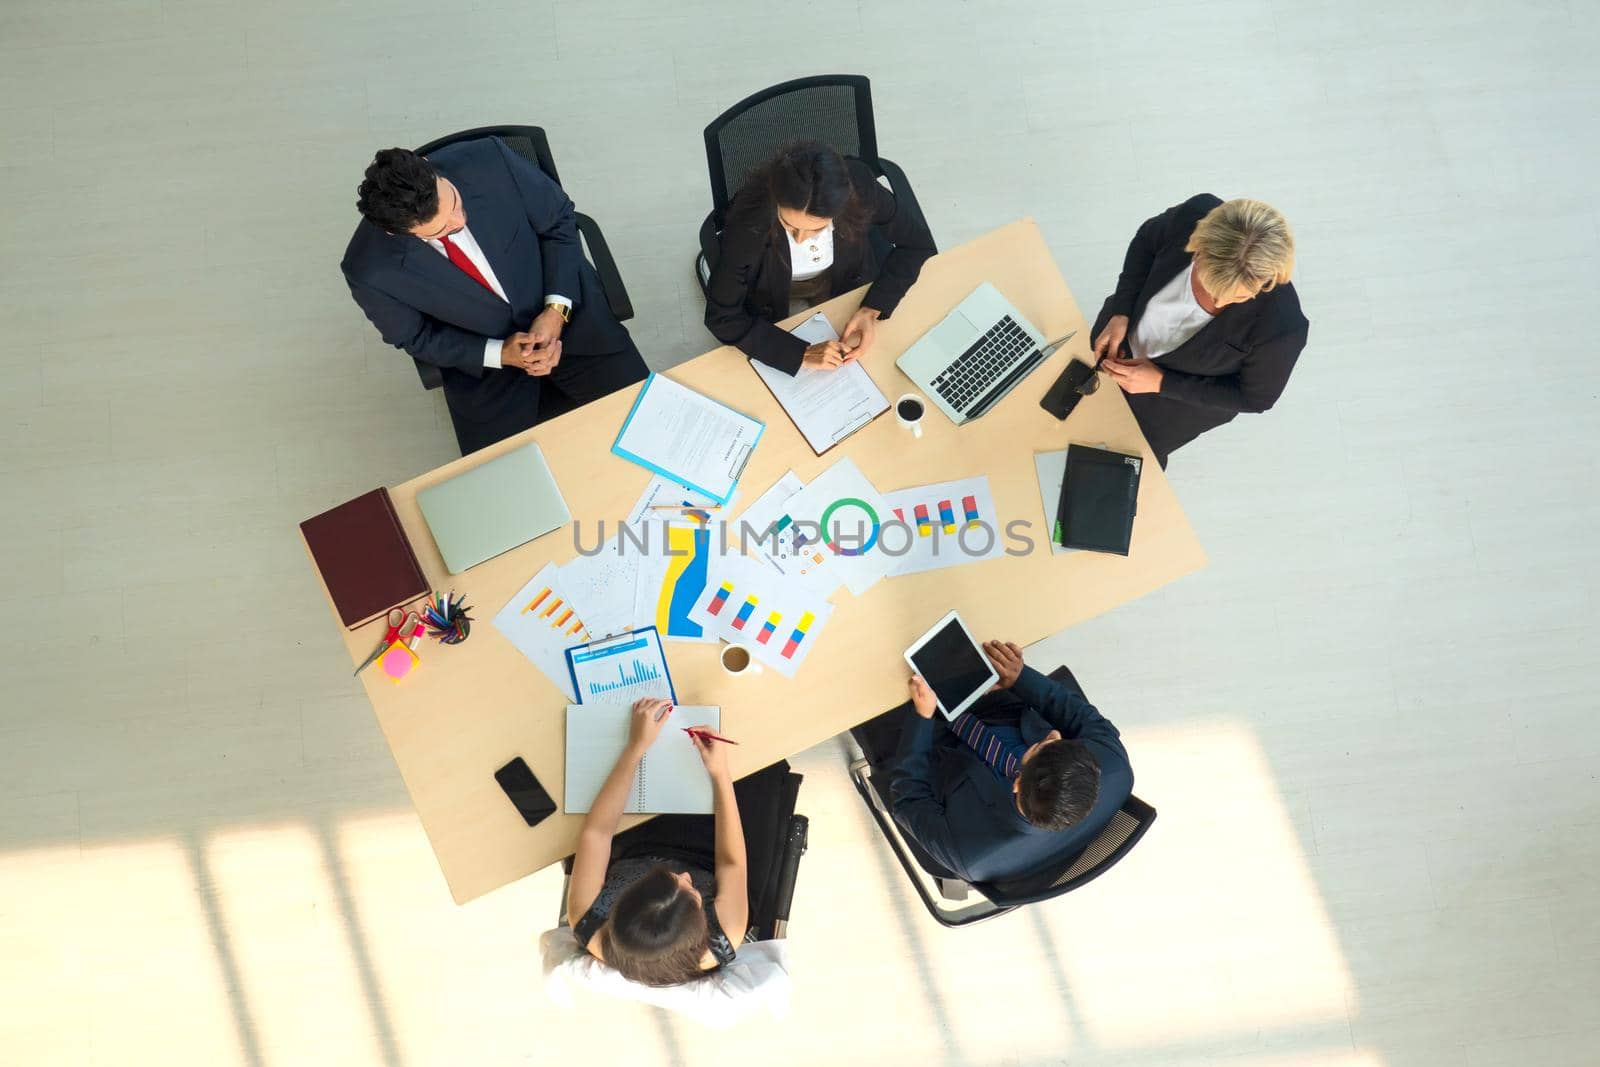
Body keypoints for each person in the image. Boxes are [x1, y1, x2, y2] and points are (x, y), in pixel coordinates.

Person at [341, 138, 648, 455]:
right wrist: (501, 353)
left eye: (455, 203)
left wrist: (556, 311)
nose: (460, 221)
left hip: (573, 321)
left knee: (651, 429)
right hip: (487, 369)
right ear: (398, 232)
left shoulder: (491, 160)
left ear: (432, 171)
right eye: (441, 230)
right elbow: (416, 337)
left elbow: (559, 221)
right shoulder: (368, 270)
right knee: (509, 484)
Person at [853, 640, 1132, 885]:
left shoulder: (972, 853)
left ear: (1018, 783)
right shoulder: (1114, 769)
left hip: (933, 755)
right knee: (950, 641)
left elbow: (908, 799)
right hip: (1002, 710)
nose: (1054, 732)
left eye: (1042, 745)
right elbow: (1082, 718)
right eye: (1058, 741)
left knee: (866, 673)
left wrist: (922, 718)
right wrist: (1020, 679)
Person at [1089, 195, 1309, 467]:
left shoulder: (1283, 328)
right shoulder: (1193, 215)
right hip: (1110, 345)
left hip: (1163, 411)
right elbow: (1146, 241)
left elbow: (1255, 397)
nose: (1219, 303)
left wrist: (1161, 383)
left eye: (1237, 298)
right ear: (1197, 247)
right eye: (1209, 285)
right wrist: (1120, 311)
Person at [704, 139, 936, 375]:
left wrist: (872, 308)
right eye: (789, 225)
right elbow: (722, 317)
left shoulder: (859, 187)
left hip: (845, 286)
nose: (800, 240)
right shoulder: (749, 223)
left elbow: (917, 245)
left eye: (816, 230)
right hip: (774, 300)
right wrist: (800, 354)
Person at [565, 698, 748, 987]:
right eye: (691, 889)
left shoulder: (589, 921)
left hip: (633, 837)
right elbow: (731, 862)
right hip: (708, 847)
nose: (686, 876)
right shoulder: (725, 933)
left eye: (674, 878)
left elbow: (597, 833)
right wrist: (719, 774)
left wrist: (635, 747)